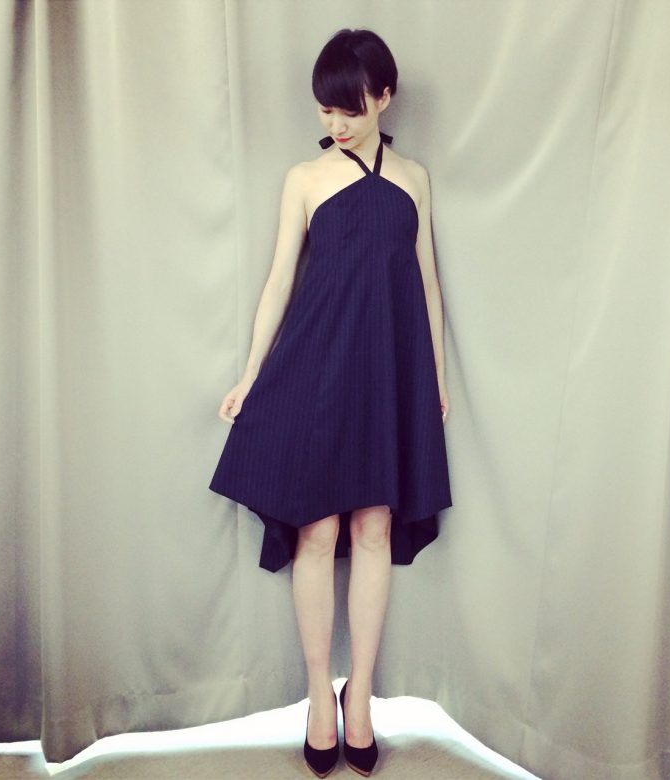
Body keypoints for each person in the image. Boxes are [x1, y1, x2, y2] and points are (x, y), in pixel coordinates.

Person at [208, 28, 452, 777]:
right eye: (326, 109)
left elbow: (427, 284)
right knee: (317, 533)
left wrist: (436, 381)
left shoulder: (414, 178)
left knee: (374, 527)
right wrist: (251, 373)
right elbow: (280, 281)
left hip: (388, 375)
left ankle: (361, 696)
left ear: (385, 97)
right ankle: (320, 695)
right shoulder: (304, 178)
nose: (337, 123)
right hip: (316, 373)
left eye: (352, 108)